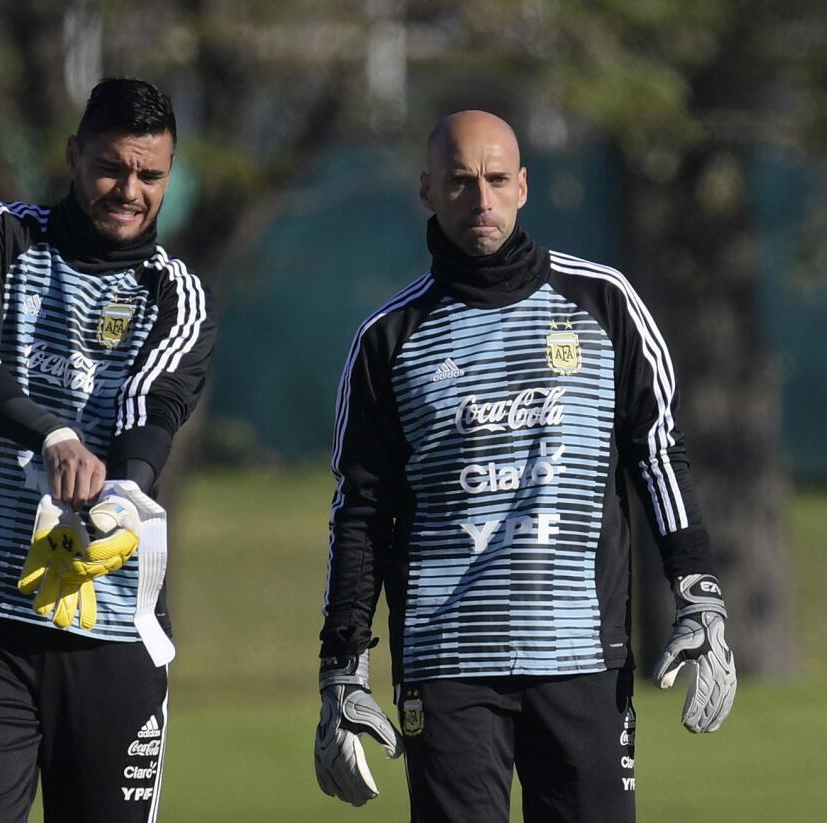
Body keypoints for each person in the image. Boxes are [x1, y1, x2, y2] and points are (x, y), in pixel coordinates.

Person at [313, 110, 736, 823]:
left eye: (496, 179)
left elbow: (658, 454)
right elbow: (360, 512)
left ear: (524, 185)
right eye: (460, 182)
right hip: (446, 665)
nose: (481, 199)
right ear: (427, 191)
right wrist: (341, 665)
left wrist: (698, 593)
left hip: (580, 658)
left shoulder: (605, 303)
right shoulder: (388, 339)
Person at [0, 77, 215, 823]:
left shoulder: (175, 293)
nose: (130, 189)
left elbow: (156, 409)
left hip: (112, 638)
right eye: (112, 167)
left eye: (151, 174)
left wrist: (121, 492)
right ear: (74, 154)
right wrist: (51, 435)